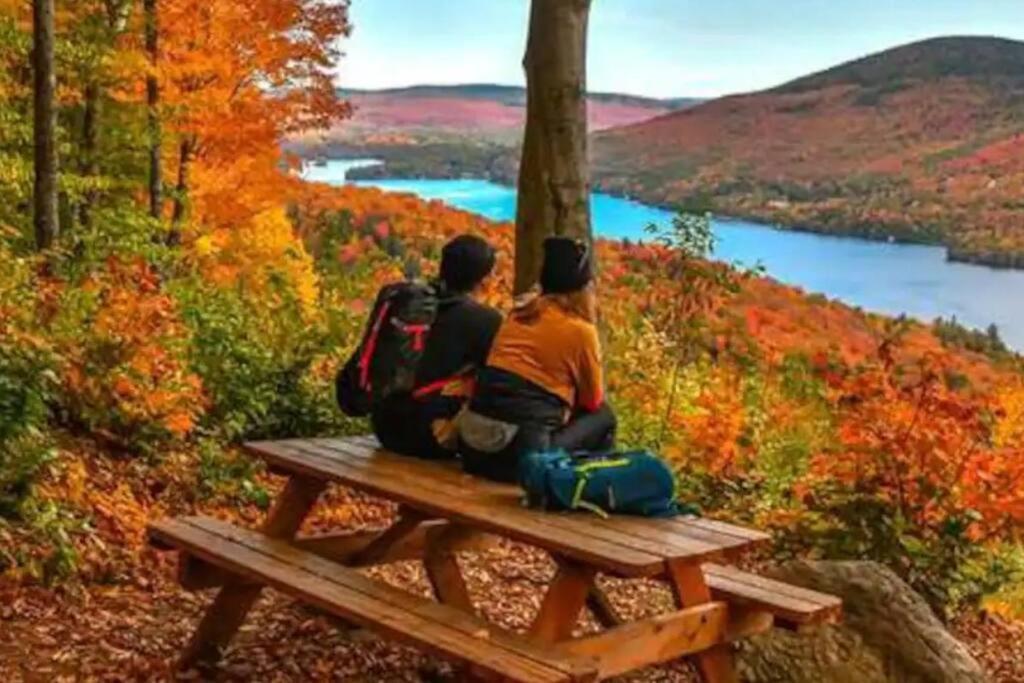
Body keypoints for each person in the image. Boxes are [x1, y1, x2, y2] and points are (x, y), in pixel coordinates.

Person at [458, 236, 616, 482]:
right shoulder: (581, 331)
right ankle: (577, 493)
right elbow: (593, 401)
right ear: (584, 289)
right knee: (604, 417)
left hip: (472, 449)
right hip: (522, 459)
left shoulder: (517, 316)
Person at [365, 234, 502, 460]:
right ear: (484, 279)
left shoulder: (407, 303)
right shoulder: (485, 320)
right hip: (430, 436)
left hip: (384, 427)